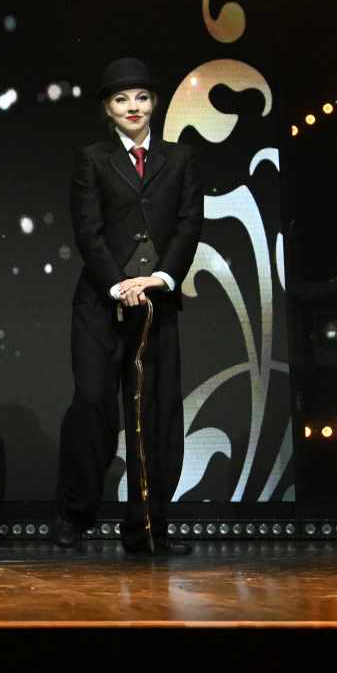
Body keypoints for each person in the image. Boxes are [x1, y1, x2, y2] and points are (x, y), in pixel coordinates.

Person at [50, 58, 202, 555]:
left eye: (140, 97)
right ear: (107, 110)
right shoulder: (93, 160)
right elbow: (88, 230)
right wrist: (118, 284)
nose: (132, 106)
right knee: (92, 406)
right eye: (121, 99)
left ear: (153, 103)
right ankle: (75, 515)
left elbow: (188, 224)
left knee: (155, 414)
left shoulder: (179, 158)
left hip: (157, 304)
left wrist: (160, 278)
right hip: (101, 304)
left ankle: (147, 528)